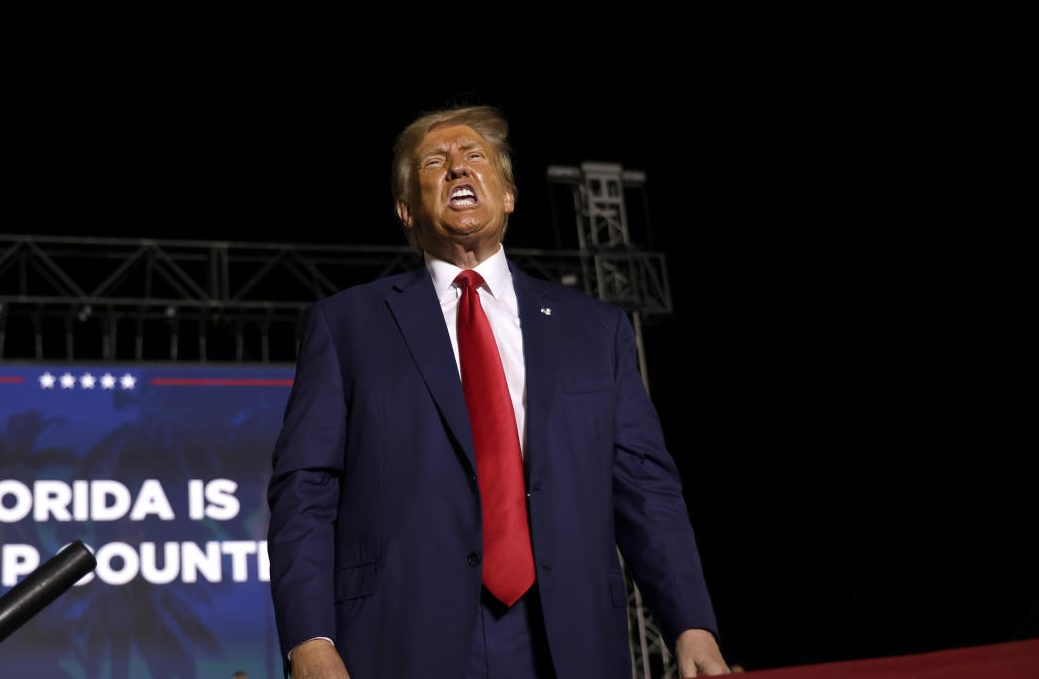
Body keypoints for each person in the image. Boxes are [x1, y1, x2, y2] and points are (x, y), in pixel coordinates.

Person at [267, 106, 729, 678]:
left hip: (570, 639)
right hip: (402, 639)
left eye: (474, 157)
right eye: (435, 163)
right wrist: (310, 640)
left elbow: (645, 489)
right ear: (407, 210)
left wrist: (691, 623)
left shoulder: (595, 331)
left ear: (507, 195)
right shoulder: (346, 327)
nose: (457, 168)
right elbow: (304, 495)